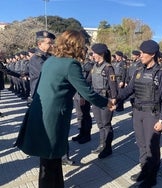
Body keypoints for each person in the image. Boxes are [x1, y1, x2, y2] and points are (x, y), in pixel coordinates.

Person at [15, 30, 115, 188]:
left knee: (50, 160)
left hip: (40, 114)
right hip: (52, 118)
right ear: (75, 46)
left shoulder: (50, 60)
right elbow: (86, 92)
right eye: (81, 45)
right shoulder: (71, 64)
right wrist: (107, 103)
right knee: (49, 162)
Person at [115, 40, 162, 187]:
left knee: (151, 146)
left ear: (152, 54)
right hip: (138, 112)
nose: (140, 56)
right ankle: (144, 169)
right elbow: (129, 90)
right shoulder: (139, 71)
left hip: (152, 114)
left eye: (143, 53)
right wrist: (116, 99)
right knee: (141, 144)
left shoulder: (161, 74)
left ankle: (151, 176)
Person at [88, 43, 118, 159]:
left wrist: (114, 99)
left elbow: (113, 85)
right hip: (96, 98)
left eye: (94, 53)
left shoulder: (108, 67)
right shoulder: (94, 67)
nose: (93, 55)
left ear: (100, 54)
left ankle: (107, 148)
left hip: (106, 98)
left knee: (106, 124)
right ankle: (101, 144)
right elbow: (89, 81)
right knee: (100, 124)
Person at [28, 30, 55, 100]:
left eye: (53, 43)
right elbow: (47, 75)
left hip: (50, 93)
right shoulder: (36, 58)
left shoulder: (51, 56)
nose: (52, 45)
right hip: (41, 94)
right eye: (49, 43)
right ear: (39, 44)